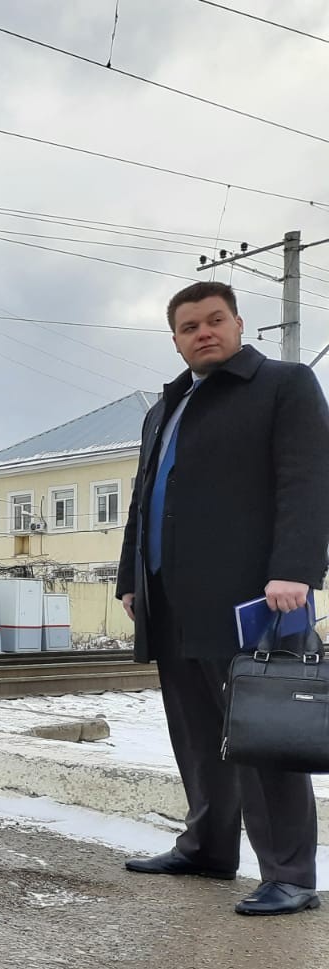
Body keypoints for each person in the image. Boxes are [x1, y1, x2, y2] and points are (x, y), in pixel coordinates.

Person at [117, 281, 329, 916]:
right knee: (196, 732)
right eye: (188, 326)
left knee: (263, 733)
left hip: (253, 597)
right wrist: (131, 576)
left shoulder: (283, 386)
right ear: (176, 339)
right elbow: (144, 496)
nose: (203, 332)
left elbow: (308, 481)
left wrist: (296, 569)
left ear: (238, 324)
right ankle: (209, 848)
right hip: (169, 596)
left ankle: (290, 873)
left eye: (214, 320)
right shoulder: (168, 406)